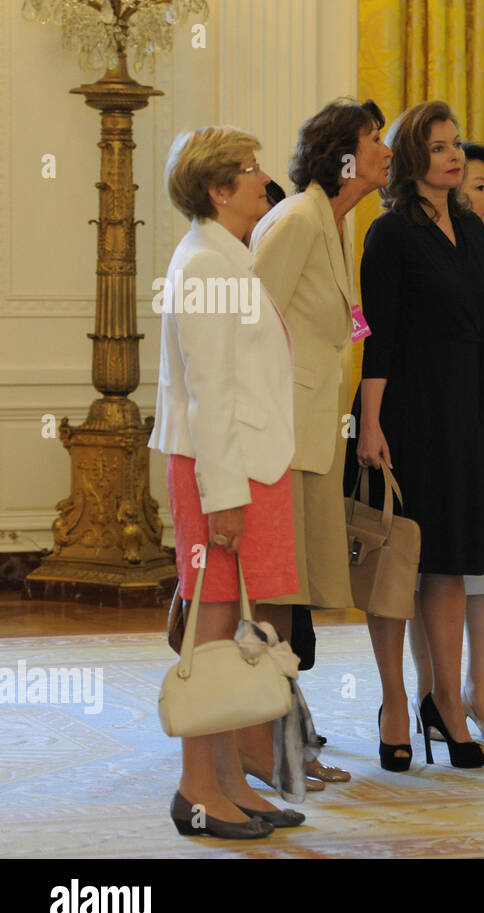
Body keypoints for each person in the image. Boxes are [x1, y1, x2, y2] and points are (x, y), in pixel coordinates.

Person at [350, 101, 484, 770]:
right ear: (414, 158)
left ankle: (447, 701)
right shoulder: (388, 234)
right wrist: (369, 425)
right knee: (398, 564)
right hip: (405, 416)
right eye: (441, 146)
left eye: (457, 145)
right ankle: (396, 700)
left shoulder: (473, 233)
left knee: (450, 562)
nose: (456, 156)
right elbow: (377, 338)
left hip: (466, 415)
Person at [151, 126, 302, 837]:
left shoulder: (227, 255)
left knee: (242, 626)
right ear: (217, 188)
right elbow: (208, 390)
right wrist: (226, 497)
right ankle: (196, 788)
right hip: (223, 470)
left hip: (251, 464)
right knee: (214, 629)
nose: (262, 177)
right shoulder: (204, 264)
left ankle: (234, 778)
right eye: (248, 168)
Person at [246, 98, 391, 789]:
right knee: (278, 599)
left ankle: (289, 743)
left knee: (294, 599)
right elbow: (250, 319)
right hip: (282, 438)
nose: (386, 152)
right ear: (343, 156)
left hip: (310, 438)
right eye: (374, 140)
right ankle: (275, 747)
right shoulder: (300, 216)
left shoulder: (331, 222)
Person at [407, 142, 484, 742]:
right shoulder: (433, 250)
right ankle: (434, 692)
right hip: (451, 416)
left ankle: (481, 691)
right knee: (438, 564)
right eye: (478, 186)